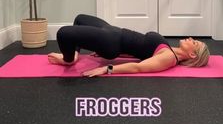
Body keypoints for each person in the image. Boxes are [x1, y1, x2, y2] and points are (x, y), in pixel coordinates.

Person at [48, 14, 210, 77]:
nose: (190, 38)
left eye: (193, 42)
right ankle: (75, 53)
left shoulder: (169, 58)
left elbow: (138, 67)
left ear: (193, 55)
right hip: (112, 31)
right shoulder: (170, 49)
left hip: (110, 42)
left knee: (63, 33)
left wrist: (107, 69)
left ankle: (68, 59)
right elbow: (140, 52)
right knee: (79, 19)